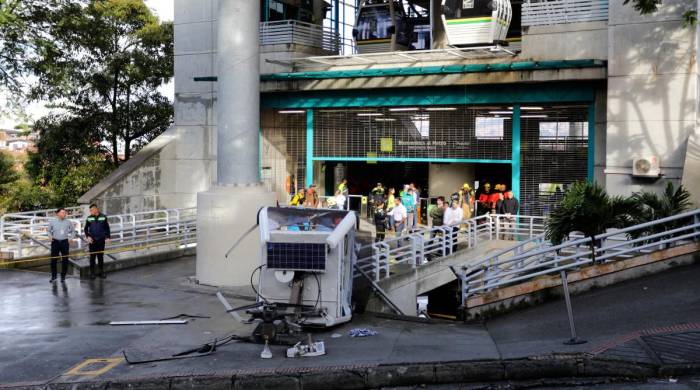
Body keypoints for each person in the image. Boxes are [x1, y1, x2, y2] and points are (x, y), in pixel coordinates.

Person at [84, 204, 111, 279]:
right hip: (92, 240)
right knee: (92, 257)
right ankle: (92, 273)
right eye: (90, 210)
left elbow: (107, 228)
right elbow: (86, 229)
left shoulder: (103, 217)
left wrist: (108, 237)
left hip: (101, 240)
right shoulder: (89, 218)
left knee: (100, 257)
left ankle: (101, 272)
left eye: (91, 210)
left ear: (96, 209)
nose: (90, 211)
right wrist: (87, 236)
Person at [48, 208, 75, 283]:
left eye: (65, 213)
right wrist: (50, 236)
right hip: (55, 241)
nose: (64, 214)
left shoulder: (68, 222)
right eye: (62, 212)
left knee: (65, 259)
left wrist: (71, 238)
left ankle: (63, 276)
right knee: (53, 260)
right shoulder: (52, 222)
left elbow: (73, 231)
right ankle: (54, 276)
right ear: (58, 214)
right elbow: (48, 231)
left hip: (65, 242)